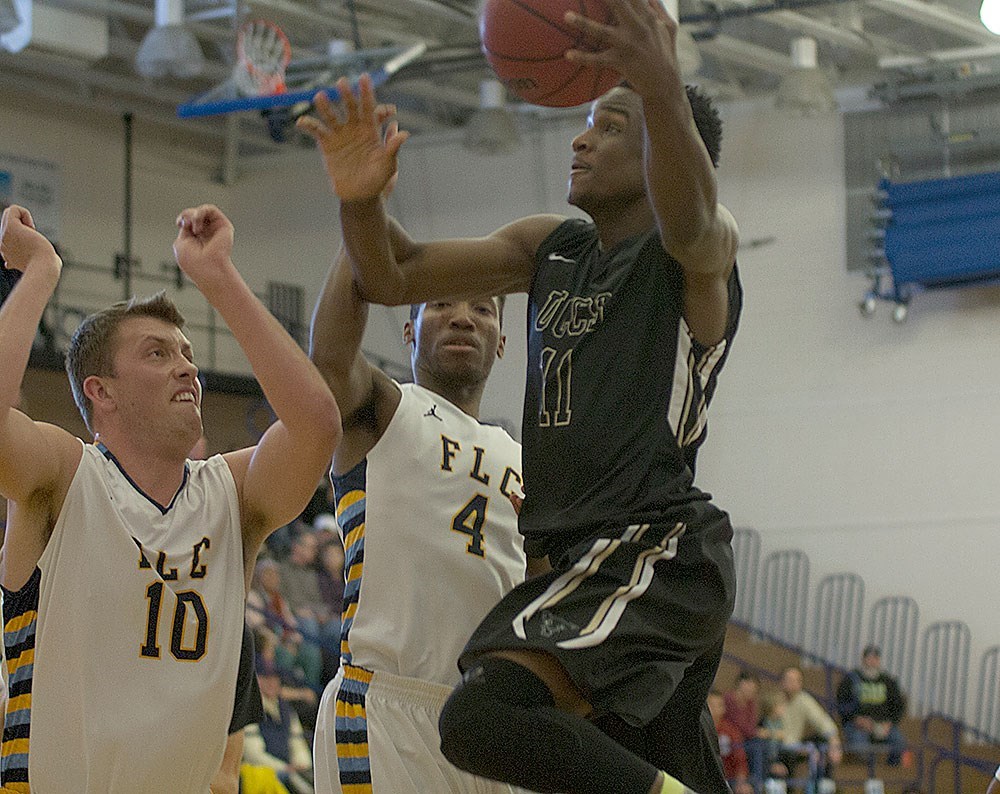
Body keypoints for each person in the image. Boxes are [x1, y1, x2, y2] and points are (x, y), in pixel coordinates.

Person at [297, 0, 741, 790]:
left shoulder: (696, 255)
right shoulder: (550, 248)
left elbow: (696, 219)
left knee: (481, 720)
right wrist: (360, 200)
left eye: (609, 125)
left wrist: (660, 84)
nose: (580, 135)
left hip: (651, 551)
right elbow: (389, 275)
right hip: (581, 567)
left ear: (662, 156)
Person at [0, 203, 340, 791]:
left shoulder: (231, 494)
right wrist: (38, 274)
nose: (188, 369)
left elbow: (317, 425)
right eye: (158, 354)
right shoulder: (63, 474)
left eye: (187, 355)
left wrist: (218, 278)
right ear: (100, 391)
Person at [306, 175, 527, 792]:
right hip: (385, 705)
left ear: (503, 342)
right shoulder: (384, 411)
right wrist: (360, 200)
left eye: (483, 308)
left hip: (484, 719)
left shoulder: (523, 457)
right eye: (439, 305)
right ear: (408, 332)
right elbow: (328, 360)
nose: (462, 316)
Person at [244, 656, 315, 794]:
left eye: (275, 678)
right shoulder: (249, 708)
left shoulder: (286, 709)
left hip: (290, 770)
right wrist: (285, 768)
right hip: (263, 772)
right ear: (256, 680)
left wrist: (302, 764)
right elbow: (253, 754)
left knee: (307, 777)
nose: (271, 682)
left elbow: (298, 742)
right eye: (265, 678)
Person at [835, 644, 910, 767]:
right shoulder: (851, 679)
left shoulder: (888, 681)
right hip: (857, 725)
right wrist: (856, 719)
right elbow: (842, 704)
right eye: (869, 658)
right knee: (860, 746)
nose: (872, 661)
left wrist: (889, 723)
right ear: (863, 659)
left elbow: (898, 706)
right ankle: (869, 775)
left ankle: (890, 772)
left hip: (883, 725)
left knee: (899, 742)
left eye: (875, 658)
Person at [779, 667, 842, 790]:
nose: (794, 684)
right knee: (792, 755)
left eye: (797, 681)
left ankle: (824, 787)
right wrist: (801, 748)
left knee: (824, 745)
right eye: (790, 680)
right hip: (779, 746)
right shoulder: (775, 700)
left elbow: (821, 720)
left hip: (796, 745)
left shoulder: (803, 699)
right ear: (782, 682)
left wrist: (834, 740)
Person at [707, 690, 753, 794]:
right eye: (711, 705)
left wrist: (741, 784)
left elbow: (740, 760)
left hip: (728, 781)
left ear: (723, 708)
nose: (714, 709)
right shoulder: (697, 730)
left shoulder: (731, 731)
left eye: (718, 705)